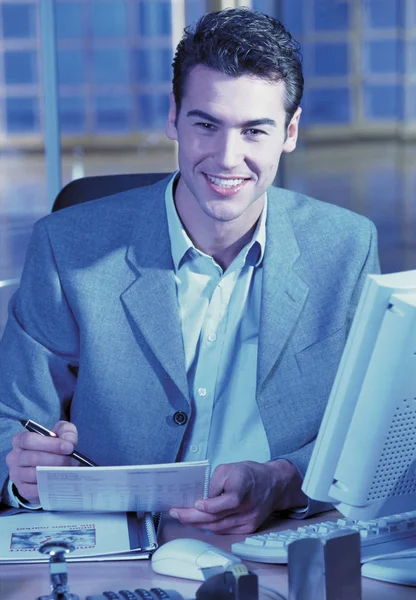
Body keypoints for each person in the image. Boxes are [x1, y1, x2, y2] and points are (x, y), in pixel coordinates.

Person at [0, 7, 379, 534]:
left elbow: (375, 425)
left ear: (290, 132)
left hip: (277, 538)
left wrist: (284, 479)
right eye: (207, 125)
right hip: (117, 543)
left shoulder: (346, 246)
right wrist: (20, 476)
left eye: (254, 131)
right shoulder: (68, 247)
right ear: (173, 116)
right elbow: (8, 422)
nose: (228, 157)